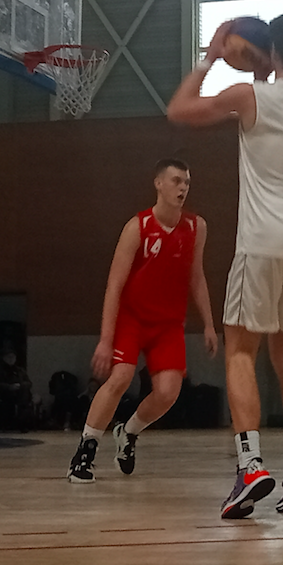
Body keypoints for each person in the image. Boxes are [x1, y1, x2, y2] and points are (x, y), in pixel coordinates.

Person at [167, 12, 283, 516]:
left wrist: (211, 58)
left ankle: (251, 466)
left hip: (266, 238)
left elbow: (179, 110)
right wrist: (262, 69)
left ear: (272, 49)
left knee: (240, 350)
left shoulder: (249, 97)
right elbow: (277, 105)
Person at [66, 159, 216, 483]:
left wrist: (208, 324)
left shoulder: (196, 227)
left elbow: (197, 277)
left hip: (168, 325)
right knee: (121, 377)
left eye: (187, 183)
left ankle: (128, 432)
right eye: (176, 181)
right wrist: (106, 340)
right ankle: (85, 451)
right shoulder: (138, 227)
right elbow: (115, 284)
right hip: (132, 318)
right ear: (158, 184)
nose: (183, 188)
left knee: (168, 392)